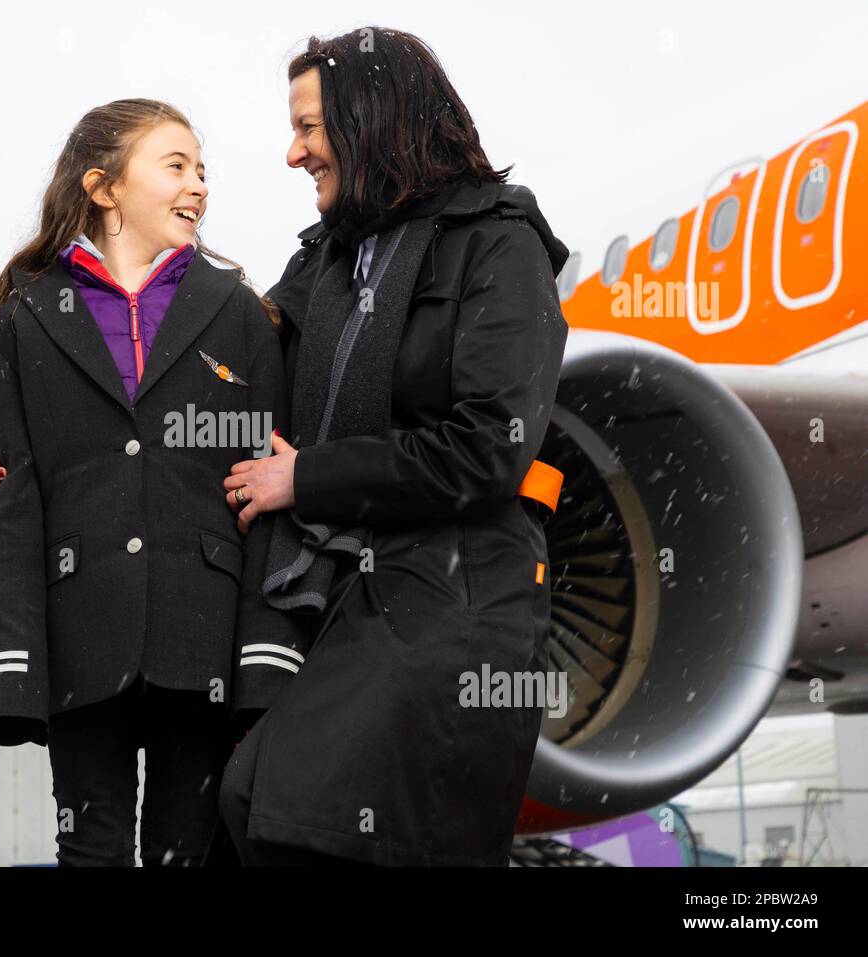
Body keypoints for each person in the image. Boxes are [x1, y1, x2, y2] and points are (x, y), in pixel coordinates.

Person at [212, 27, 571, 866]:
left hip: (457, 596)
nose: (292, 153)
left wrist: (311, 476)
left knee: (294, 815)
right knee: (253, 802)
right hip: (353, 591)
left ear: (370, 118)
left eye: (308, 127)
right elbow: (228, 373)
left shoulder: (497, 242)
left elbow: (488, 448)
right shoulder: (330, 261)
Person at [0, 99, 311, 866]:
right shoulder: (25, 317)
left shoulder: (242, 317)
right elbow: (10, 509)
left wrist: (266, 659)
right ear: (104, 187)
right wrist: (9, 668)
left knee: (193, 852)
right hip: (83, 637)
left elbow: (267, 494)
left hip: (204, 641)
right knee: (90, 849)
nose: (199, 185)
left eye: (203, 170)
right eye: (175, 166)